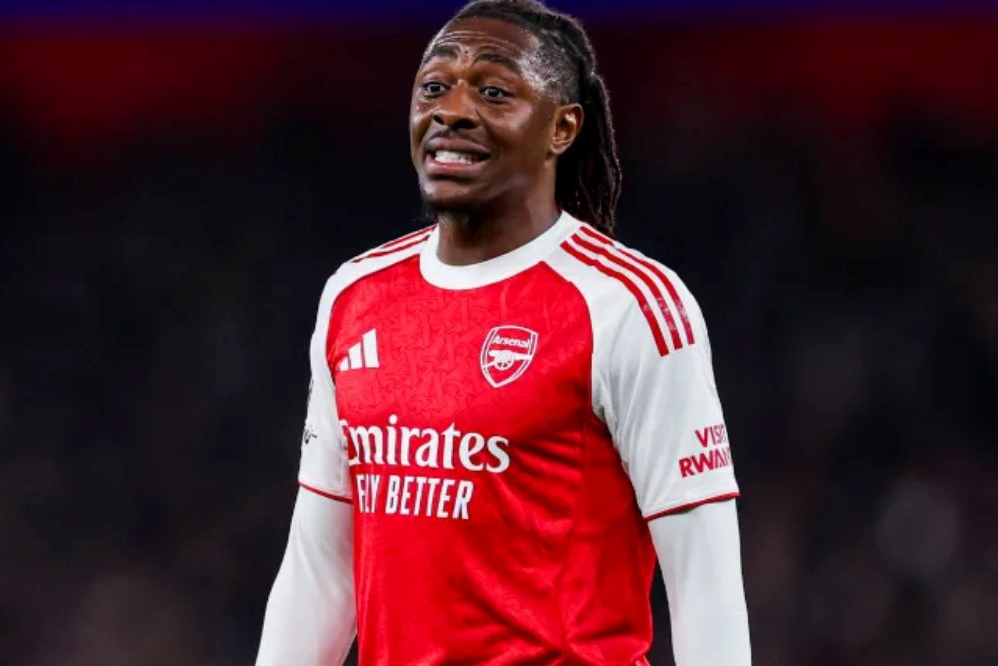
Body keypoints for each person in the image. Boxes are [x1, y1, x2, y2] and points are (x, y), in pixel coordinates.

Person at [255, 1, 751, 664]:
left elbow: (705, 585)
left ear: (562, 128)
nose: (452, 110)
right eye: (434, 87)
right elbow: (321, 569)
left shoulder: (628, 306)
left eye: (493, 91)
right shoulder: (355, 294)